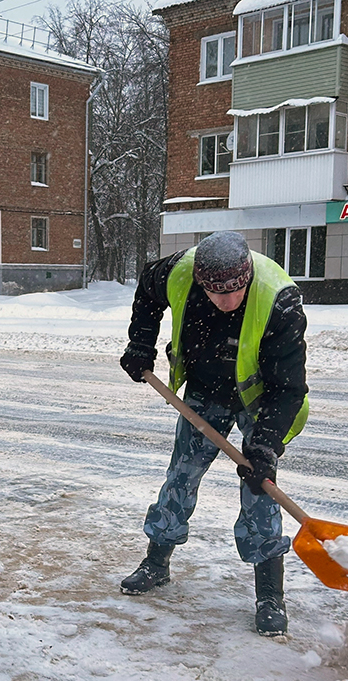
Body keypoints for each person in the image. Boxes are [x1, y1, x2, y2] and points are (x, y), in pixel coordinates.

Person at [118, 231, 308, 637]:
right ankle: (156, 562)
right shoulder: (179, 273)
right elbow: (148, 295)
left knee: (260, 490)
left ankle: (270, 593)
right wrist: (140, 344)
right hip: (204, 391)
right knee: (181, 476)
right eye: (214, 292)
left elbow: (289, 387)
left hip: (261, 398)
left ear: (247, 276)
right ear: (201, 280)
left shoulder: (280, 301)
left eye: (234, 291)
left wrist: (264, 446)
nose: (225, 301)